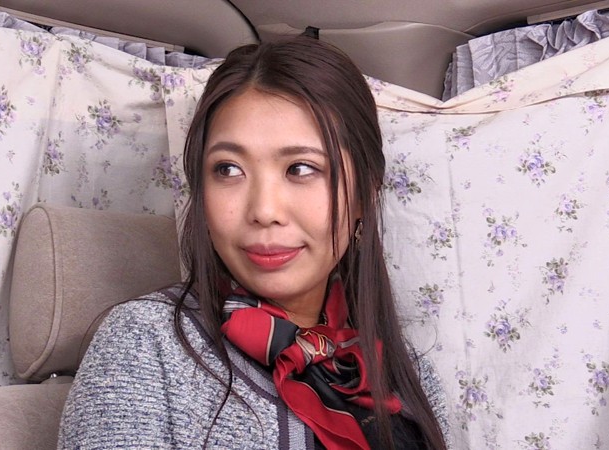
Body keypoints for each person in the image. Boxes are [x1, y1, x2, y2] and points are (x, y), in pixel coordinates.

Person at [58, 37, 448, 449]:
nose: (263, 210)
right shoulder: (145, 344)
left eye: (301, 168)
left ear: (363, 194)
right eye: (228, 169)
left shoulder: (406, 371)